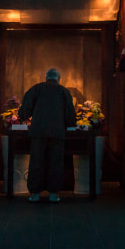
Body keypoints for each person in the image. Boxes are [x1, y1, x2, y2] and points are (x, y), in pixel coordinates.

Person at [18, 68, 77, 203]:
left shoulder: (36, 89)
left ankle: (35, 194)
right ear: (58, 78)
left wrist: (23, 117)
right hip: (57, 132)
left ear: (46, 77)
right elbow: (70, 113)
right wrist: (71, 124)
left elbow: (25, 109)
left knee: (36, 162)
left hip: (38, 132)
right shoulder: (63, 91)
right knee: (55, 163)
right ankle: (53, 194)